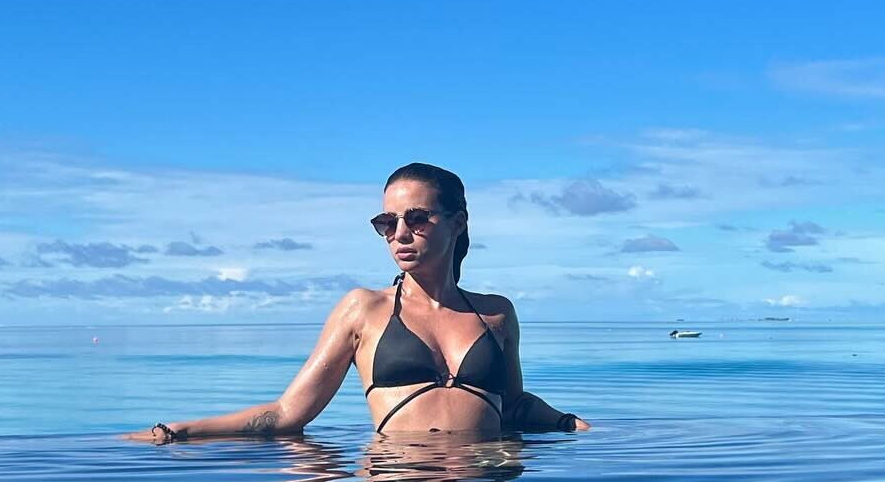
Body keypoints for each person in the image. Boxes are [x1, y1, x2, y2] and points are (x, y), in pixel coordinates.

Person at [125, 162, 590, 442]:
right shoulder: (363, 310)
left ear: (458, 223)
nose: (400, 233)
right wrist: (181, 431)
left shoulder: (495, 314)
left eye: (417, 218)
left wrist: (573, 426)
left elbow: (514, 406)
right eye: (388, 222)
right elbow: (287, 415)